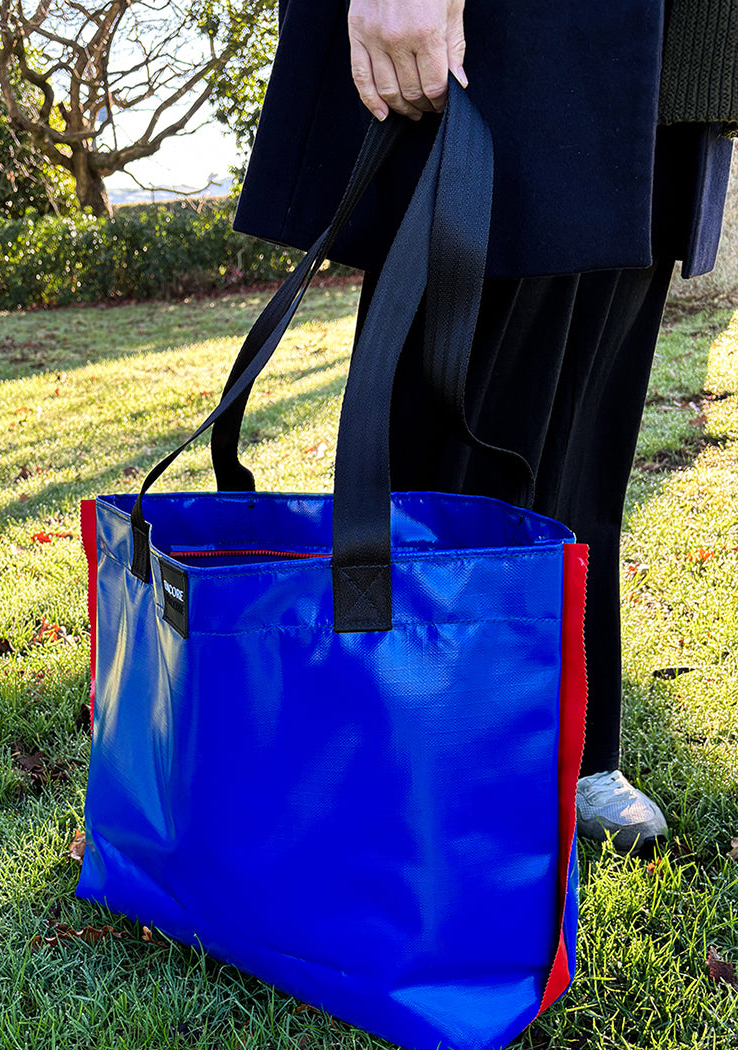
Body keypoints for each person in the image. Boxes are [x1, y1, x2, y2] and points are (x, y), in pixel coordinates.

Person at [233, 0, 737, 851]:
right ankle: (400, 765)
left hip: (657, 48)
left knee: (587, 439)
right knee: (457, 430)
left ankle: (566, 742)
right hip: (513, 34)